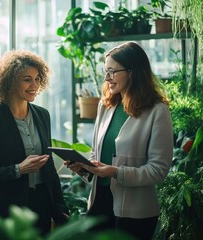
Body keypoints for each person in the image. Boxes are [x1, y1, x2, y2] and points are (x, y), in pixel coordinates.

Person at [65, 41, 173, 240]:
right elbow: (96, 156)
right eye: (105, 71)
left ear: (132, 72)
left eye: (112, 71)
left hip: (136, 213)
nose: (106, 78)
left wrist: (116, 172)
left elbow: (159, 170)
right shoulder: (105, 106)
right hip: (99, 205)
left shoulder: (157, 111)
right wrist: (83, 166)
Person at [0, 50, 70, 235]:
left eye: (37, 79)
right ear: (9, 82)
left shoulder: (43, 115)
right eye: (27, 79)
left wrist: (60, 209)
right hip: (7, 209)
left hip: (41, 204)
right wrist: (18, 169)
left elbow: (48, 166)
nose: (34, 85)